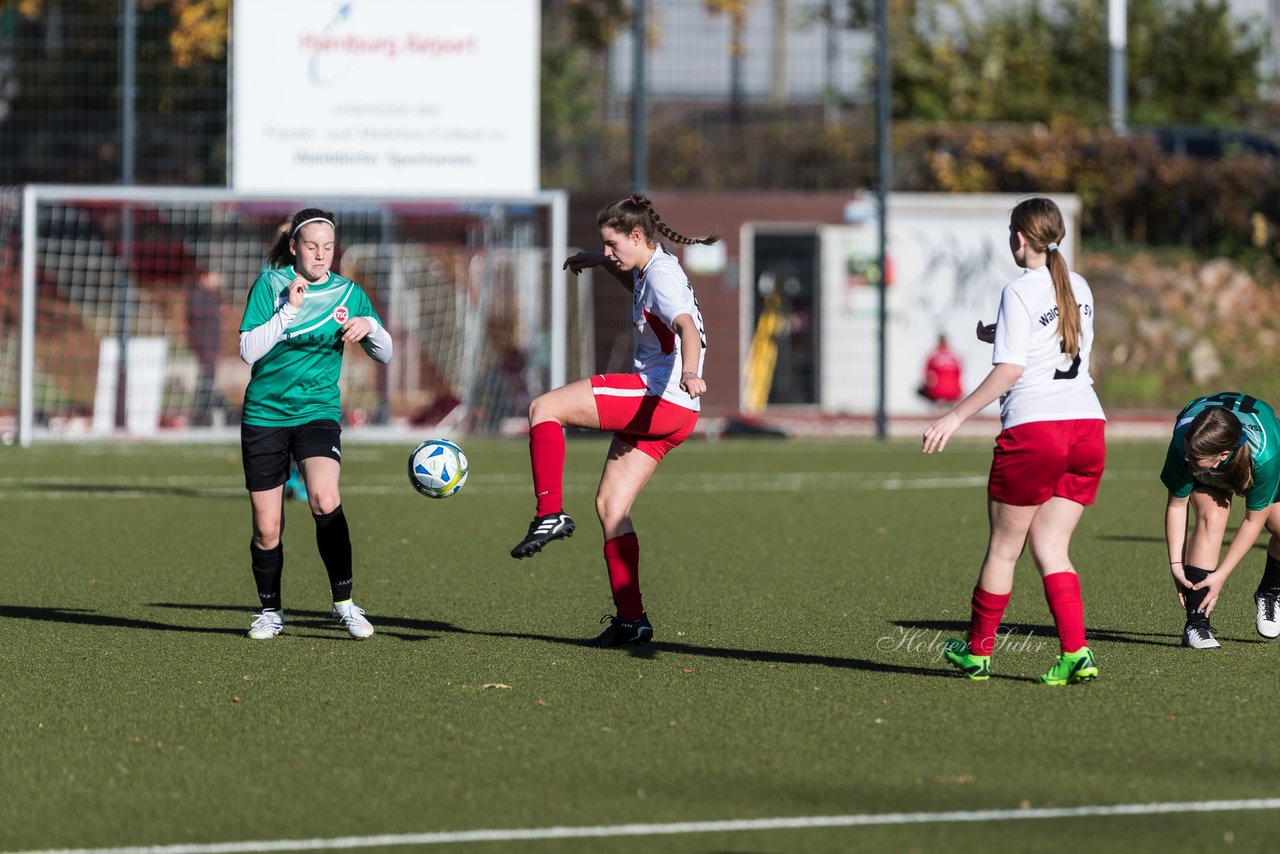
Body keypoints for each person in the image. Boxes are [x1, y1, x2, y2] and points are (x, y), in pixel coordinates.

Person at [509, 193, 714, 647]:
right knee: (611, 507)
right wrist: (603, 264)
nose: (607, 252)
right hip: (678, 414)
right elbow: (653, 304)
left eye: (611, 245)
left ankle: (548, 514)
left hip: (661, 396)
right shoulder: (653, 266)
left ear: (636, 236)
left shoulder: (660, 276)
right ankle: (631, 620)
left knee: (544, 408)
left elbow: (686, 327)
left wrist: (693, 372)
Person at [922, 196, 1106, 686]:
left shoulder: (1018, 290)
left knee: (1005, 548)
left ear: (1019, 238)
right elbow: (1062, 344)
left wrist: (955, 417)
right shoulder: (1079, 285)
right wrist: (998, 333)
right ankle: (1075, 653)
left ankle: (977, 653)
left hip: (1037, 430)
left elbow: (1012, 370)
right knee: (1052, 545)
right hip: (1088, 427)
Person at [237, 208, 393, 640]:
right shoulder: (271, 285)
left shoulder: (349, 293)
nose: (321, 255)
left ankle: (344, 604)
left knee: (325, 498)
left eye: (328, 247)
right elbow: (248, 351)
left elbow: (386, 352)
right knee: (267, 529)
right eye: (312, 247)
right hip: (265, 414)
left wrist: (370, 329)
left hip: (317, 411)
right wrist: (288, 310)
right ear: (294, 248)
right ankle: (271, 612)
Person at [1159, 392, 1280, 649]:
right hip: (1213, 457)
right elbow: (1177, 505)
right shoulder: (1184, 443)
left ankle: (1270, 592)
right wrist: (1175, 564)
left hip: (1255, 459)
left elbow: (1252, 522)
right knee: (1211, 516)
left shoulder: (1264, 456)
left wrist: (1222, 574)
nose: (1186, 460)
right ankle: (1196, 624)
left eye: (1194, 458)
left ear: (1223, 455)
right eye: (1188, 453)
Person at [186, 267, 228, 426]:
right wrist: (215, 310)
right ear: (205, 277)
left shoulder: (212, 295)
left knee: (209, 378)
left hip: (212, 343)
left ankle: (207, 411)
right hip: (204, 342)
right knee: (207, 379)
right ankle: (210, 410)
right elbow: (195, 315)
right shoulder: (196, 293)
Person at [917, 333, 963, 406]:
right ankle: (949, 402)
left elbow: (926, 376)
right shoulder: (954, 356)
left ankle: (938, 403)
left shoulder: (932, 355)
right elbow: (960, 374)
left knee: (919, 390)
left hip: (937, 392)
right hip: (954, 392)